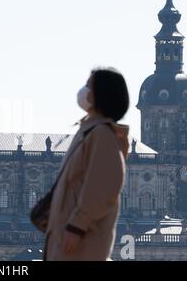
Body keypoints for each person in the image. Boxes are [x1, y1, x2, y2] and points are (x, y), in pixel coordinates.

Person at [44, 68, 129, 261]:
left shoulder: (102, 134)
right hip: (68, 236)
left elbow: (103, 186)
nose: (83, 90)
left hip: (81, 240)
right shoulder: (90, 130)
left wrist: (77, 226)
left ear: (101, 94)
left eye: (89, 85)